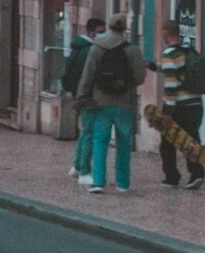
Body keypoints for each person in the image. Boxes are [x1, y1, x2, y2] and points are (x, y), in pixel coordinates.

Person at [79, 19, 146, 194]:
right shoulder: (132, 50)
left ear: (109, 27)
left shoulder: (97, 48)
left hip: (101, 101)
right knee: (124, 143)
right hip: (125, 103)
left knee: (100, 140)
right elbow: (140, 78)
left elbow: (88, 75)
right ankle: (122, 184)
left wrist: (83, 96)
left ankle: (98, 181)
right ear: (124, 28)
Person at [153, 21, 205, 189]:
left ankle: (171, 177)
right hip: (195, 104)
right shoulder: (188, 51)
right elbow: (178, 71)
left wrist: (168, 112)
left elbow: (171, 82)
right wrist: (155, 67)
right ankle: (197, 174)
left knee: (167, 143)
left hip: (178, 105)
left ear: (166, 34)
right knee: (192, 140)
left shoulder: (169, 54)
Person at [59, 17, 104, 186]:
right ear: (91, 32)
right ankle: (84, 170)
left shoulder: (77, 48)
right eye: (100, 32)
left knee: (85, 131)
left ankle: (77, 166)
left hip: (78, 95)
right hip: (88, 96)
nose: (102, 35)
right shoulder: (90, 51)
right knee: (89, 133)